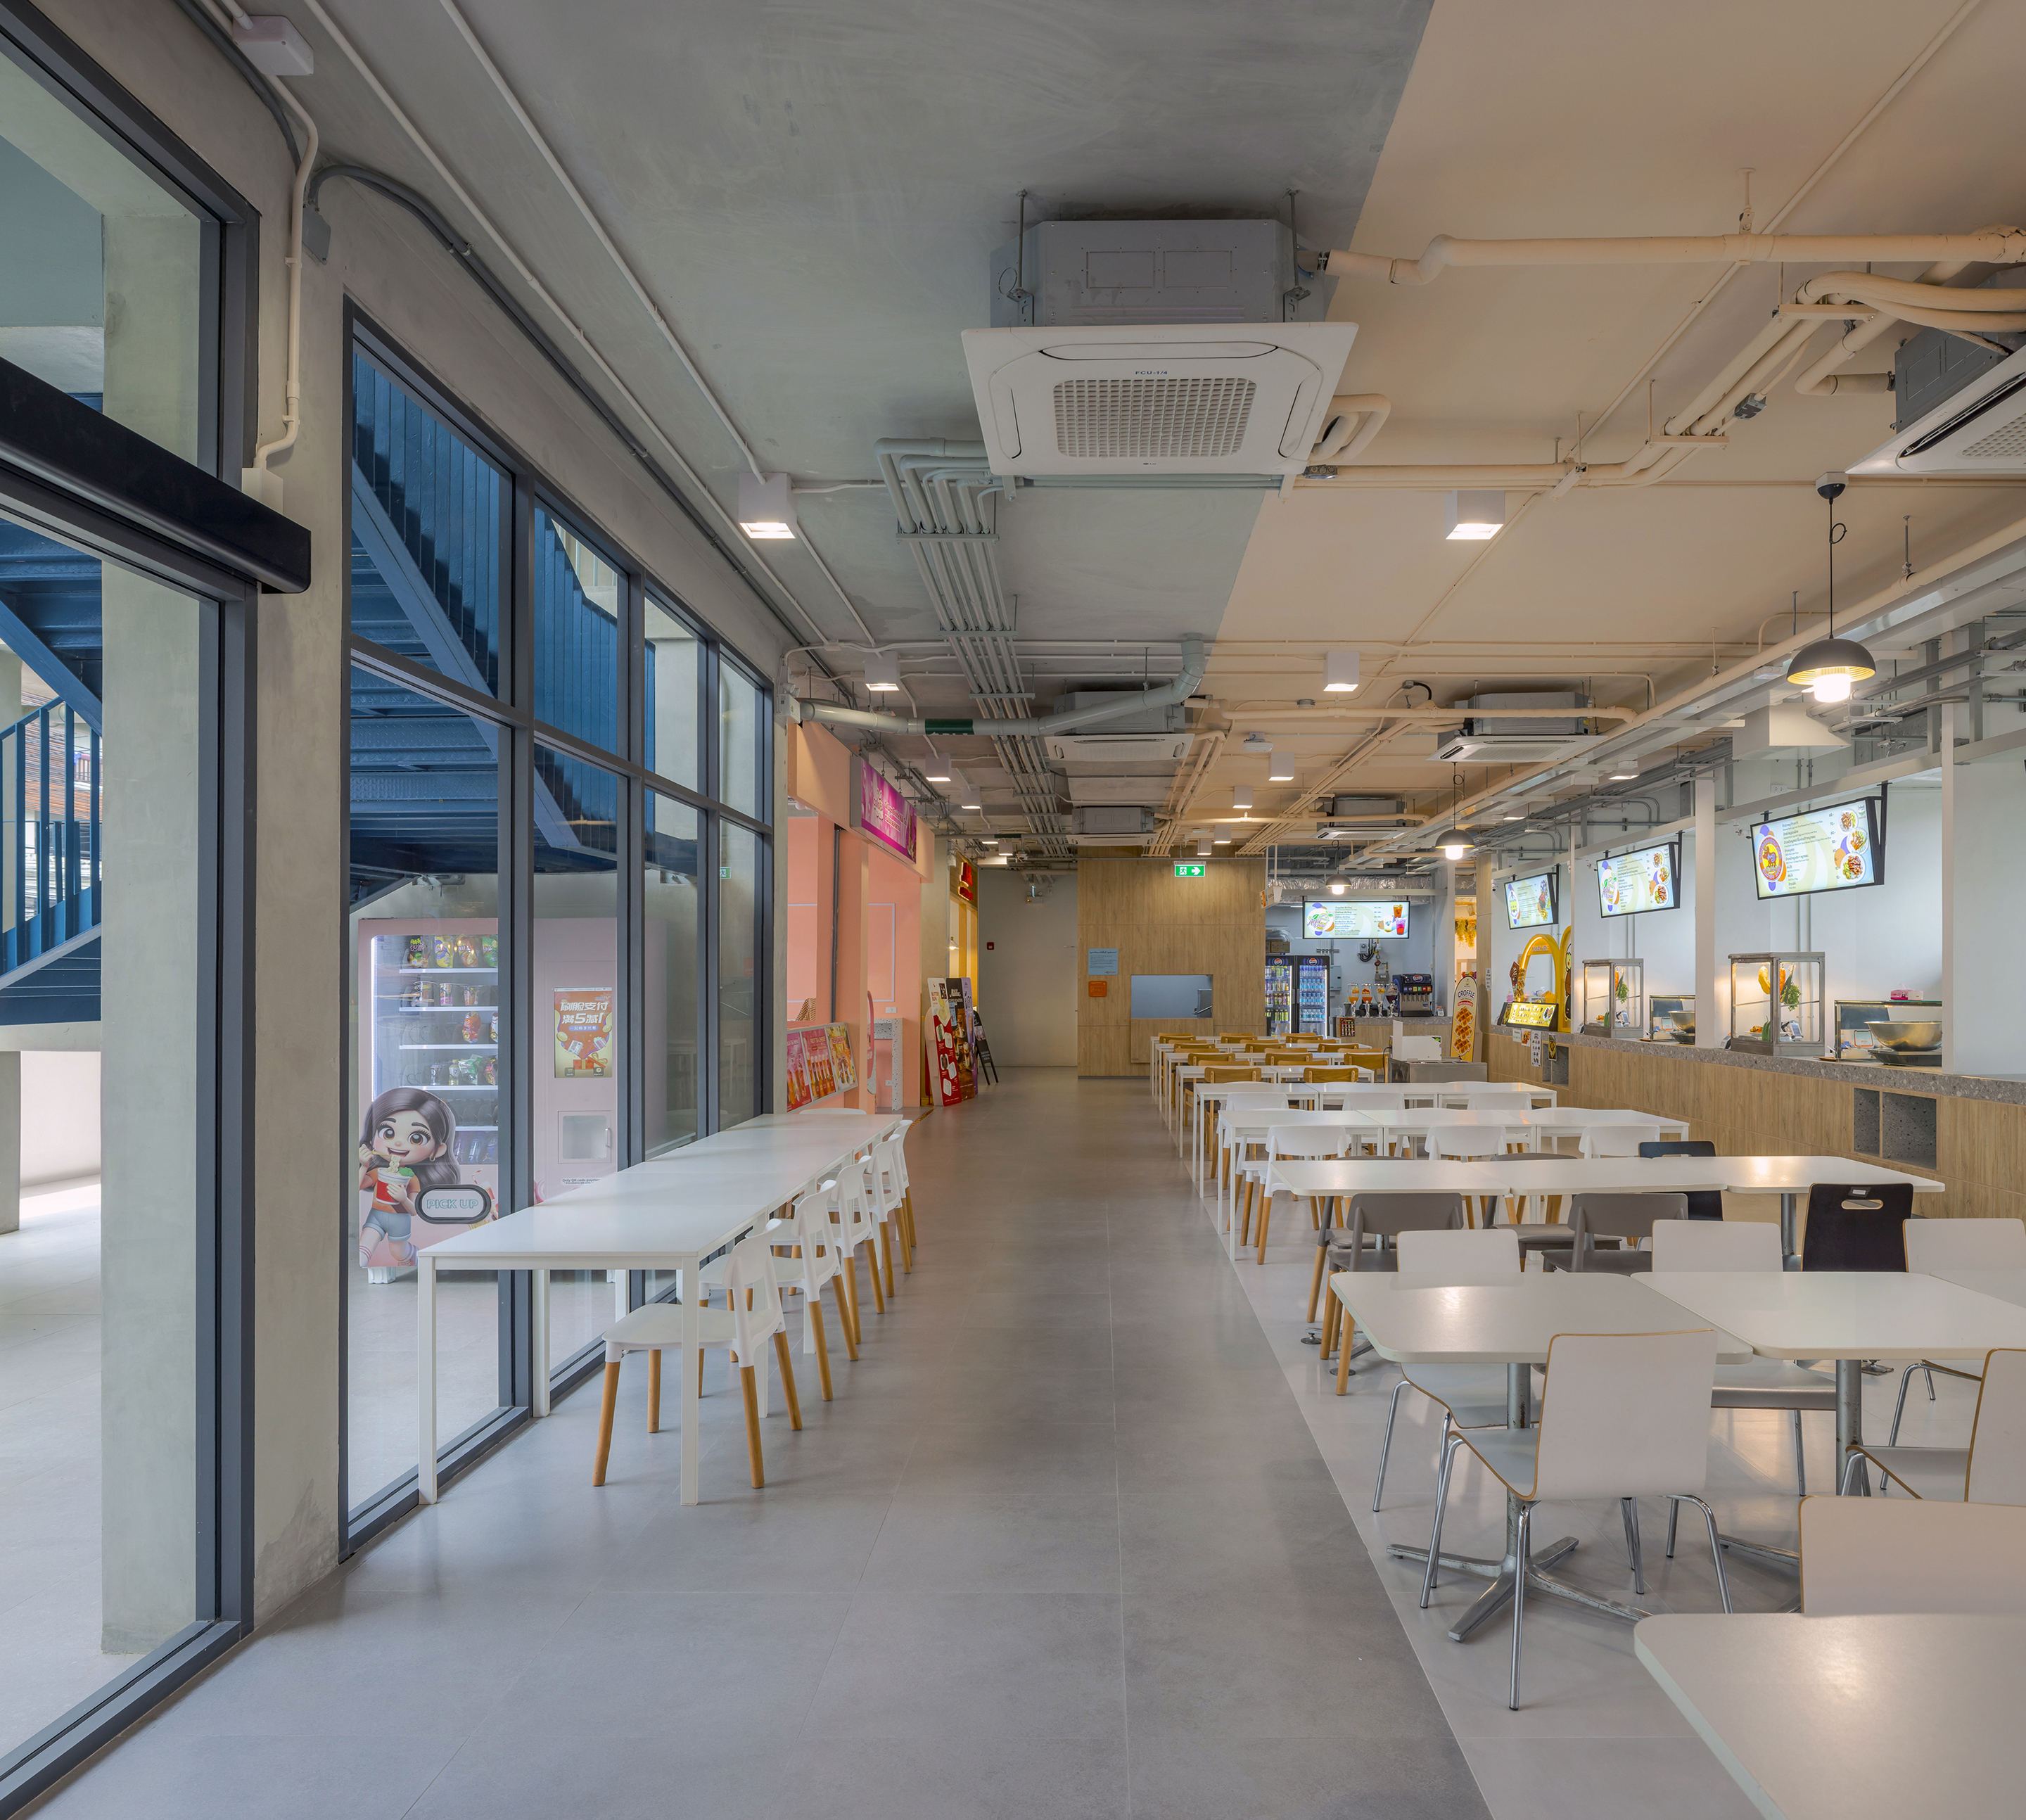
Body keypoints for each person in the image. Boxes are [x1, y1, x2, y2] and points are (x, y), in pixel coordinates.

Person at [357, 1087, 460, 1267]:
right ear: (372, 1139)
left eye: (416, 1138)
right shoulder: (380, 1172)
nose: (398, 1143)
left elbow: (414, 1210)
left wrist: (403, 1198)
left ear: (437, 1150)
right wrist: (364, 1166)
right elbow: (356, 1187)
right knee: (363, 1250)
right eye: (388, 1133)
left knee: (399, 1253)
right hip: (375, 1217)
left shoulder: (411, 1179)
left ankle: (414, 1257)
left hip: (400, 1221)